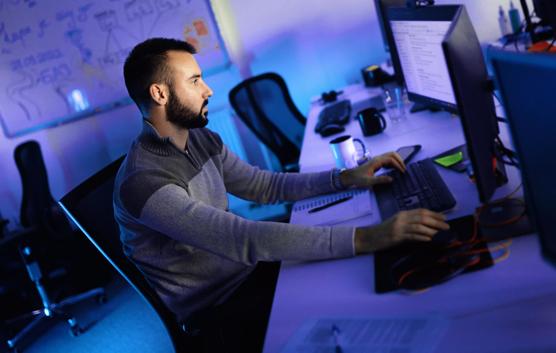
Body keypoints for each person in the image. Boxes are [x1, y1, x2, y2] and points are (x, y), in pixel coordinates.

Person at [114, 37, 449, 352]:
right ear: (160, 94)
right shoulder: (143, 182)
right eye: (195, 80)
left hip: (251, 271)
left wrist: (345, 178)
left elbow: (266, 186)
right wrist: (370, 237)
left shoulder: (198, 138)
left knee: (373, 273)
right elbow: (244, 239)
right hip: (222, 308)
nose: (208, 89)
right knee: (362, 292)